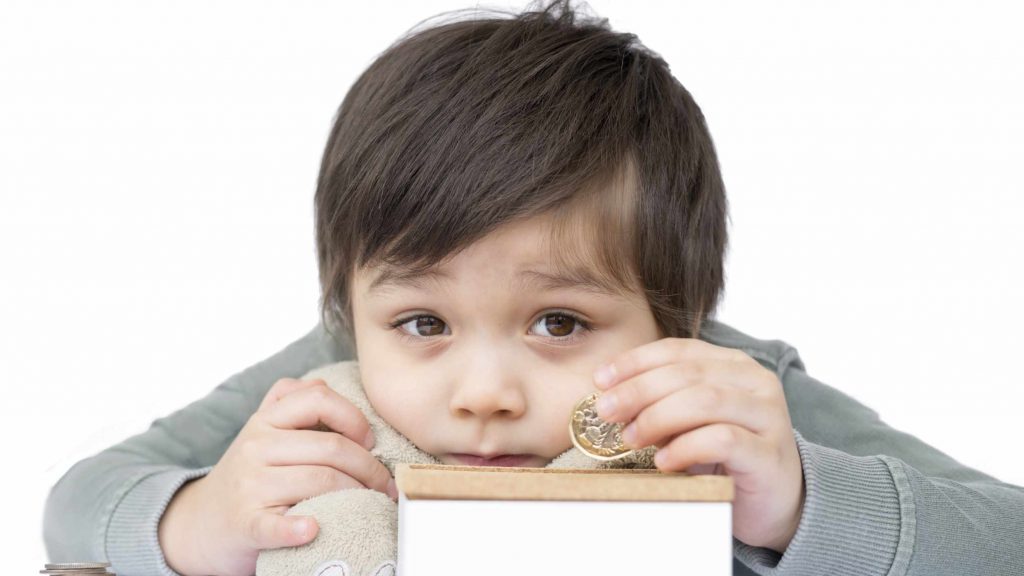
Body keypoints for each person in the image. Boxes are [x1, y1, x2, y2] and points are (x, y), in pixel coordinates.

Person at [43, 1, 1024, 575]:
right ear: (352, 305)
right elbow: (78, 497)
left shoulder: (731, 400)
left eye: (559, 321)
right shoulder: (330, 383)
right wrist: (195, 520)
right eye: (421, 320)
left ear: (674, 319)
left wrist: (802, 499)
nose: (482, 392)